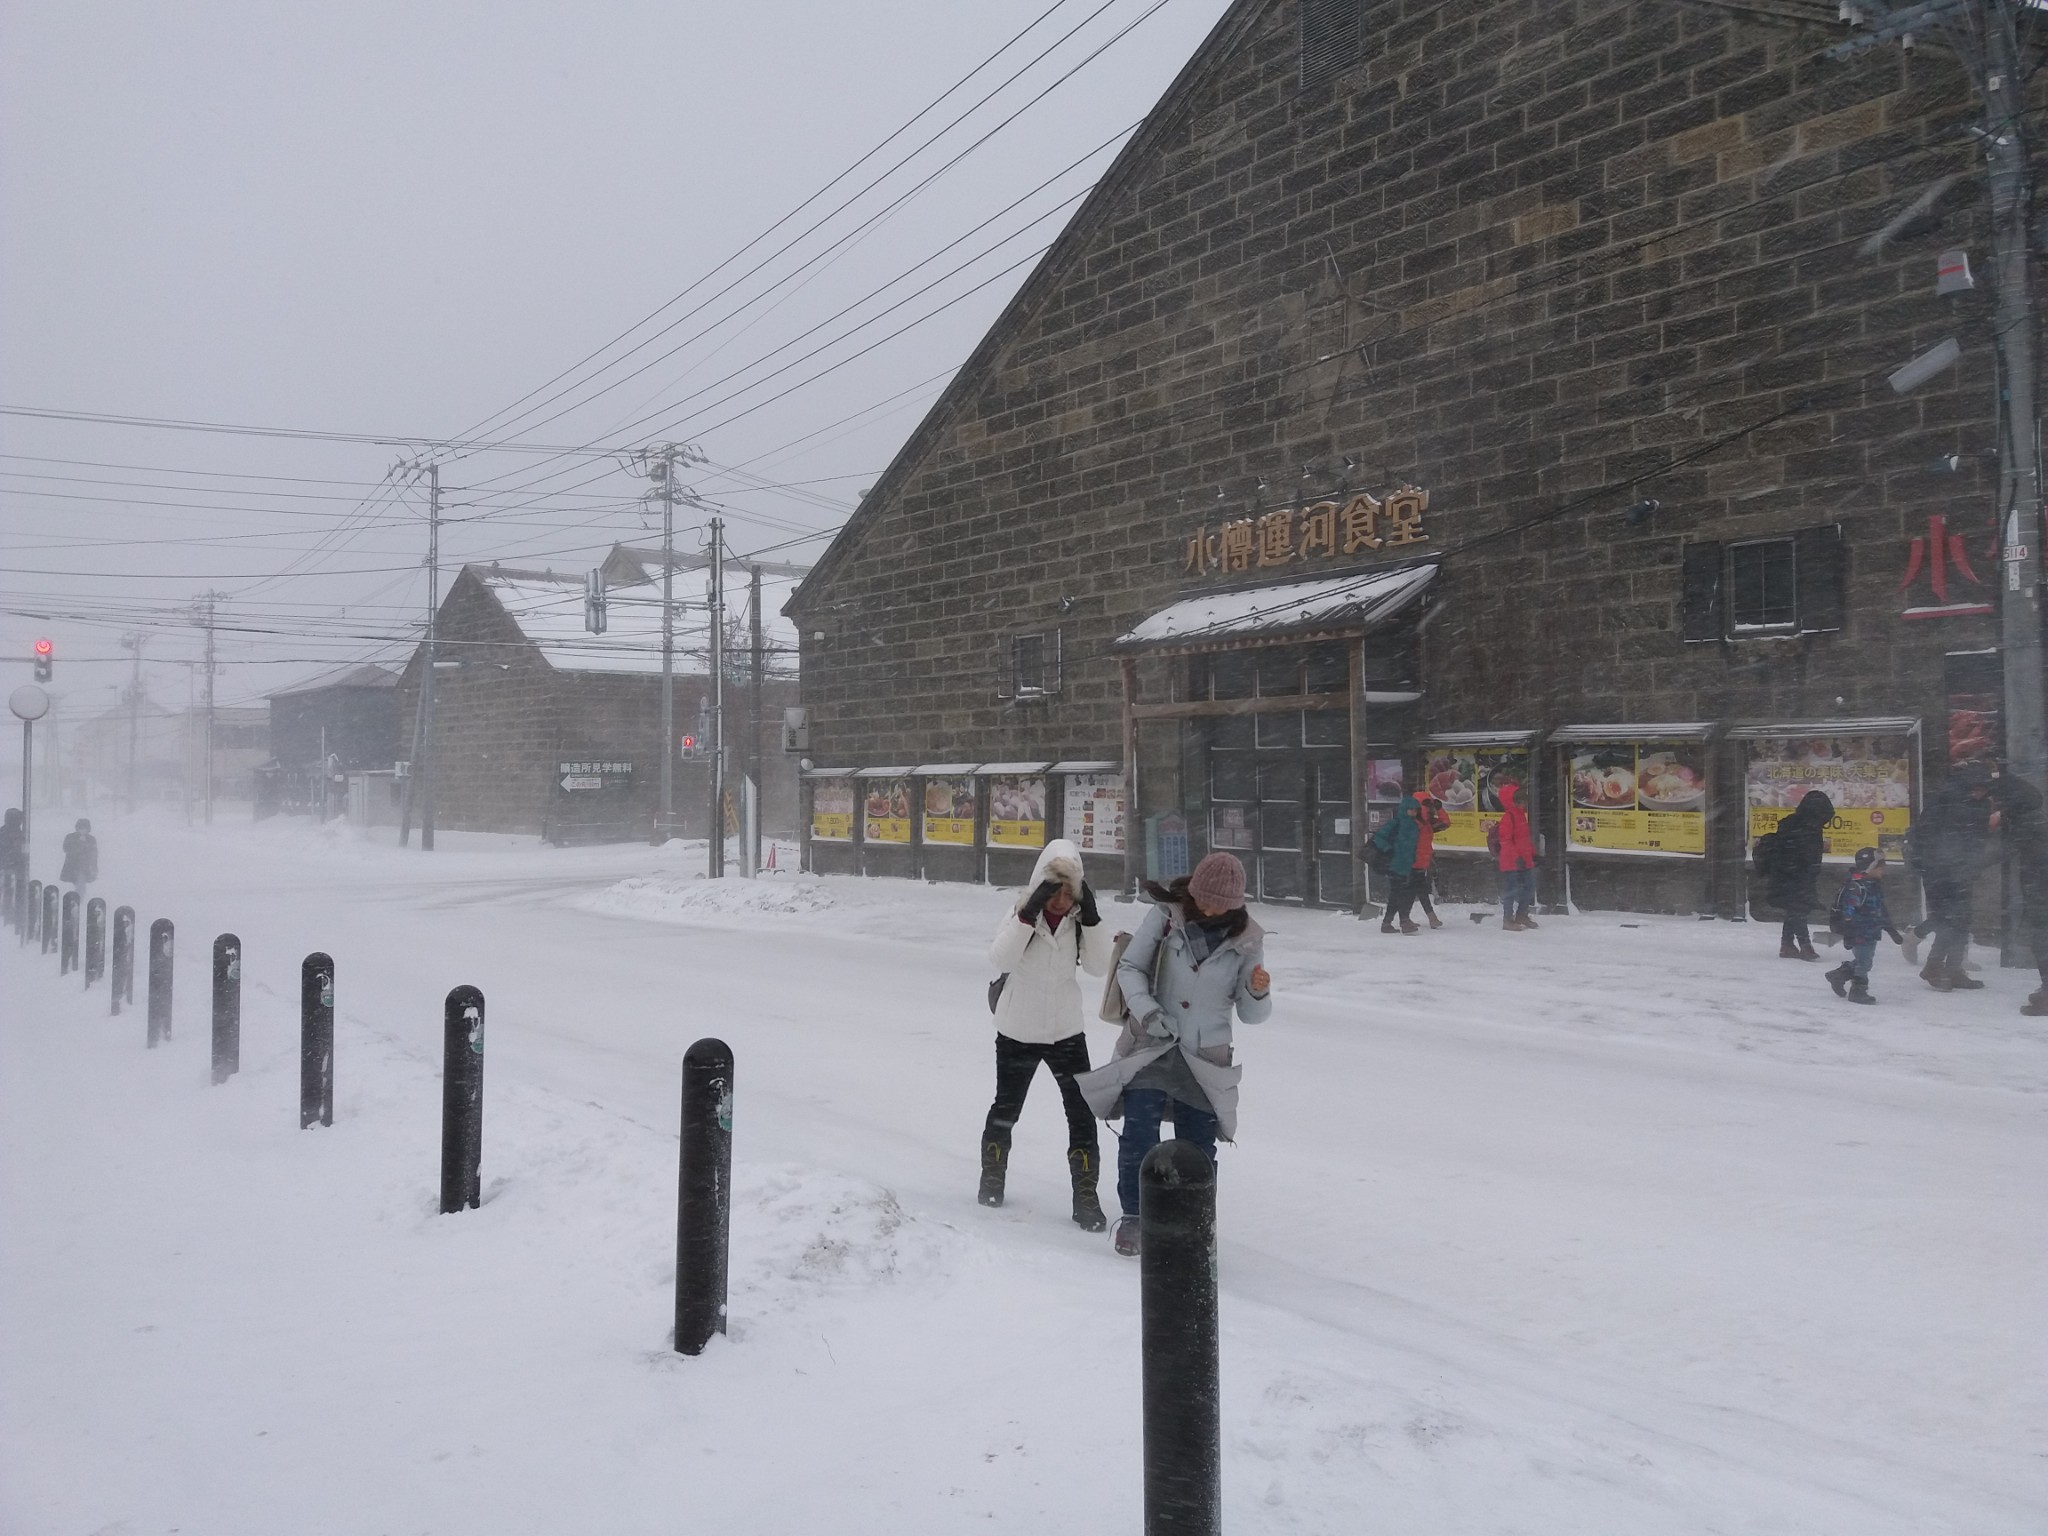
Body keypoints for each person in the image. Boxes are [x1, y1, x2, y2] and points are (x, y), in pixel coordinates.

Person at [1076, 851, 1270, 1258]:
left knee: (1198, 1147)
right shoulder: (1166, 917)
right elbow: (1130, 968)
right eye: (1206, 899)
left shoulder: (1247, 939)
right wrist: (1148, 1012)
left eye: (1222, 903)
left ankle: (1195, 1224)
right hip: (1153, 1046)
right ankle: (1134, 1218)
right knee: (1139, 1135)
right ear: (1193, 891)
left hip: (1204, 1057)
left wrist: (1258, 989)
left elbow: (1252, 1016)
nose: (1212, 908)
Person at [980, 837, 1115, 1230]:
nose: (1061, 900)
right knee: (1006, 1109)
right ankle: (992, 1179)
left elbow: (1098, 966)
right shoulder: (1020, 913)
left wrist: (1091, 918)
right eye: (1054, 890)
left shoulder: (1078, 921)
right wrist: (1028, 913)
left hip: (1065, 1031)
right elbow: (1000, 957)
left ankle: (1086, 1197)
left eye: (1069, 891)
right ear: (1041, 885)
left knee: (1081, 1116)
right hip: (1017, 1029)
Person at [1908, 762, 1995, 992]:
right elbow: (1923, 834)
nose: (1981, 793)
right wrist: (1932, 864)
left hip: (1962, 871)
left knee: (1962, 920)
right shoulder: (1945, 800)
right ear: (1967, 785)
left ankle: (1954, 968)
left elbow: (1977, 839)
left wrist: (1972, 865)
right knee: (1948, 919)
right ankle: (1933, 967)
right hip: (1939, 870)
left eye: (1984, 789)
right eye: (1977, 788)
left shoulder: (1980, 805)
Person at [1993, 773, 2048, 1015]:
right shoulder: (2033, 816)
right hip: (2039, 887)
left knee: (2041, 939)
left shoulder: (2026, 823)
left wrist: (1968, 865)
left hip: (2041, 890)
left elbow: (2007, 851)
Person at [1823, 848, 1904, 1005]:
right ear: (1870, 867)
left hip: (1871, 930)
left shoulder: (1873, 885)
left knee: (1863, 960)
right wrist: (1849, 932)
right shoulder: (1857, 887)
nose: (1884, 869)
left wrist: (1890, 929)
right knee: (1864, 962)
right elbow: (1848, 912)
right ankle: (1858, 991)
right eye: (1880, 866)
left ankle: (1839, 975)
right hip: (1859, 931)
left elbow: (1880, 908)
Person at [1762, 790, 1833, 960]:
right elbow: (1802, 854)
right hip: (1795, 876)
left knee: (1795, 910)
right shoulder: (1806, 827)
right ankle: (1804, 945)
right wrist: (1804, 871)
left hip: (1790, 875)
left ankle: (1787, 945)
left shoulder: (1797, 824)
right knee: (1798, 910)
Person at [1369, 795, 1422, 935]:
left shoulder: (1414, 825)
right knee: (1400, 893)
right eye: (1411, 810)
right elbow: (1378, 838)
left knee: (1397, 894)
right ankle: (1404, 922)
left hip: (1406, 864)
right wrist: (1390, 850)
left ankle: (1387, 923)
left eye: (1416, 810)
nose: (1414, 812)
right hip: (1394, 864)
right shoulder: (1396, 823)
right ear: (1405, 809)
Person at [1493, 780, 1538, 929]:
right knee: (1511, 890)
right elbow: (1506, 840)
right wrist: (1517, 857)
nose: (1524, 803)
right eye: (1520, 800)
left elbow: (1524, 839)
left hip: (1523, 859)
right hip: (1512, 861)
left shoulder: (1520, 816)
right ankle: (1508, 919)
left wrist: (1531, 854)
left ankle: (1521, 915)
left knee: (1529, 887)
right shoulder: (1509, 817)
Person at [1409, 788, 1451, 929]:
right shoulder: (1417, 823)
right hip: (1414, 861)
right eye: (1428, 804)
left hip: (1420, 860)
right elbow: (1445, 823)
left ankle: (1401, 918)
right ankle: (1430, 917)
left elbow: (1445, 823)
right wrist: (1438, 810)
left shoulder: (1425, 823)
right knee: (1417, 889)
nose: (1430, 807)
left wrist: (1439, 809)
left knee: (1414, 889)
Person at [60, 817, 98, 893]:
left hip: (84, 867)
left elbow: (94, 853)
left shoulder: (91, 839)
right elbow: (66, 848)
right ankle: (72, 900)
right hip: (72, 865)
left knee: (81, 885)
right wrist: (79, 843)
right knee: (70, 885)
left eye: (85, 829)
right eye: (81, 828)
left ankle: (78, 901)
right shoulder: (70, 837)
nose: (83, 831)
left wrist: (94, 867)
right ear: (77, 828)